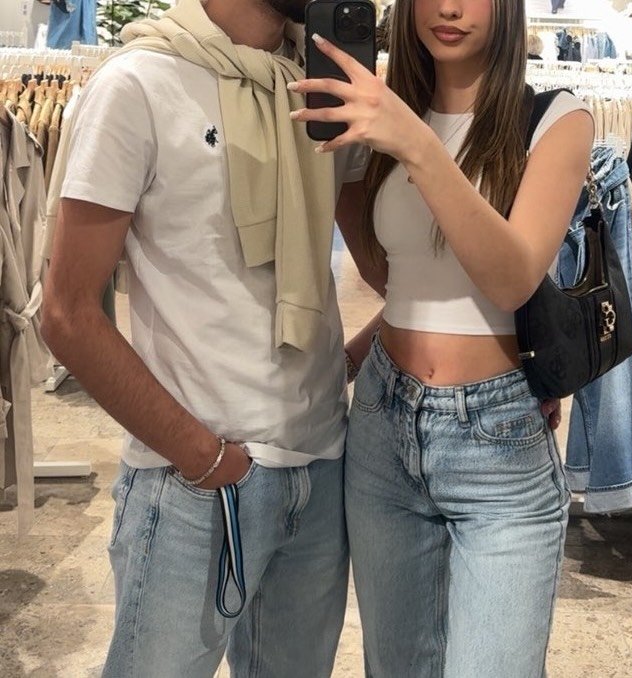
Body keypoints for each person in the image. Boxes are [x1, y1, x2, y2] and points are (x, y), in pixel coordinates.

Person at [40, 0, 372, 675]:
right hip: (192, 485)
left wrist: (347, 361)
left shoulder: (323, 88)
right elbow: (67, 312)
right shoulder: (137, 84)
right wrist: (202, 456)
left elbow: (392, 267)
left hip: (319, 472)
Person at [290, 0, 594, 675]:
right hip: (382, 428)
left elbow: (511, 280)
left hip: (498, 442)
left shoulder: (556, 119)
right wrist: (346, 359)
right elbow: (394, 277)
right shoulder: (379, 115)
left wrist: (417, 145)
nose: (449, 7)